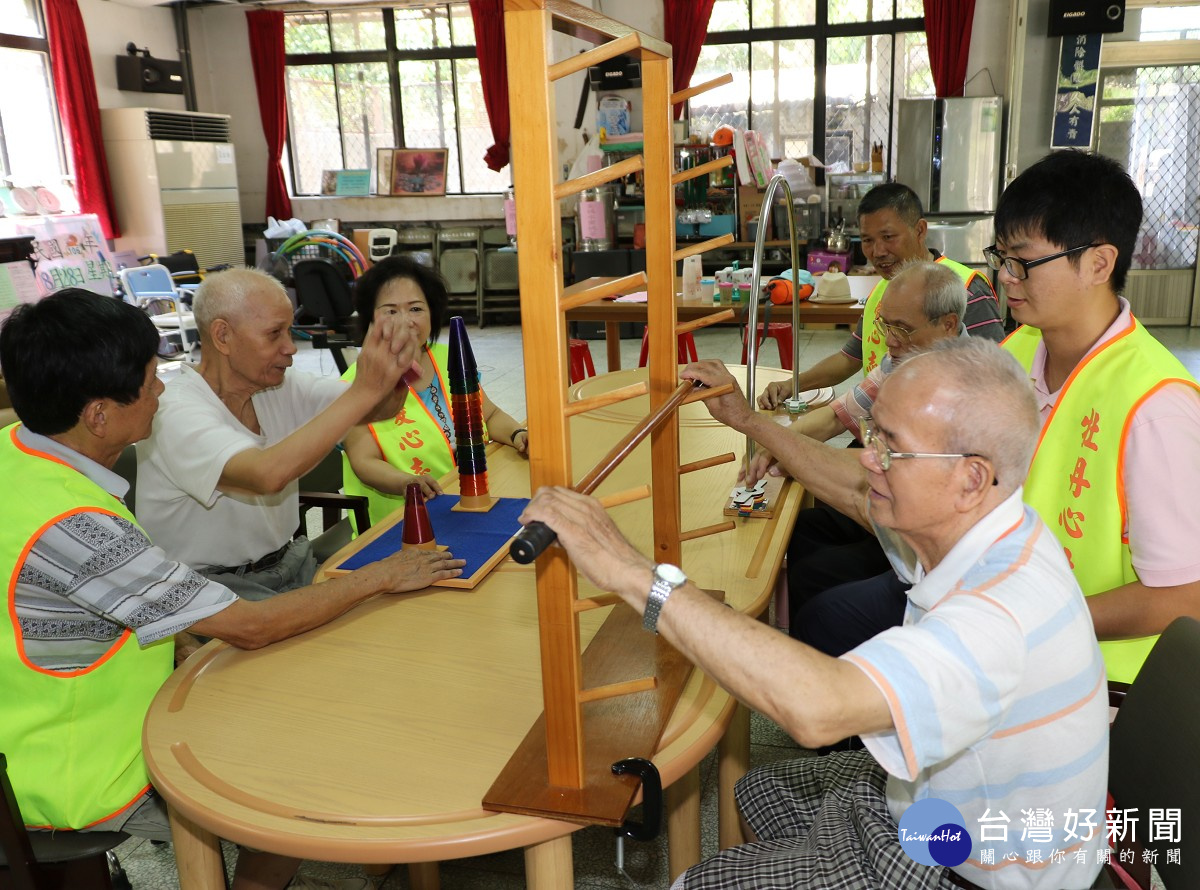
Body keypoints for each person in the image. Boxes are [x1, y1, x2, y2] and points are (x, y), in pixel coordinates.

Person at [522, 339, 1108, 890]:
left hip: (966, 870)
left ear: (970, 477)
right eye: (871, 435)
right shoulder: (985, 521)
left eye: (889, 447)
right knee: (758, 791)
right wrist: (749, 421)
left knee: (694, 884)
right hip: (936, 806)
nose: (868, 459)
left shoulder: (999, 611)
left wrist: (627, 570)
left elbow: (819, 709)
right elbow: (855, 491)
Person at [0, 289, 463, 890]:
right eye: (147, 382)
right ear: (98, 415)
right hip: (81, 769)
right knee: (307, 769)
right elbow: (250, 623)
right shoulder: (80, 526)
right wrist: (382, 574)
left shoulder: (16, 454)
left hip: (27, 735)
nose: (160, 391)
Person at [793, 150, 1200, 685]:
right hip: (982, 603)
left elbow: (1181, 596)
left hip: (1078, 673)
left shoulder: (1156, 406)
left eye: (1024, 262)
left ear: (1099, 264)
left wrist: (1017, 618)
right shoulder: (1018, 348)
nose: (1006, 278)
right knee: (826, 618)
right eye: (1001, 257)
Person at [136, 267, 419, 602]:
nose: (291, 348)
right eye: (274, 334)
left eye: (289, 331)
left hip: (290, 564)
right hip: (206, 591)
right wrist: (365, 391)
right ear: (222, 336)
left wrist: (398, 366)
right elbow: (264, 476)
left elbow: (379, 408)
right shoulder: (174, 411)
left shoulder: (276, 385)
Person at [751, 260, 969, 636]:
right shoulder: (903, 359)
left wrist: (782, 448)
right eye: (886, 325)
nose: (890, 339)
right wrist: (776, 446)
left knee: (821, 601)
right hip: (893, 511)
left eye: (901, 329)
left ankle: (832, 660)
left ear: (947, 325)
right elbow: (840, 415)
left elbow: (880, 477)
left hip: (929, 554)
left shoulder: (963, 386)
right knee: (805, 528)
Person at [759, 181, 1002, 409]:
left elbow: (996, 383)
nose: (877, 252)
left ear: (919, 230)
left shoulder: (967, 289)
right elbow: (849, 358)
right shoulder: (885, 289)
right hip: (880, 427)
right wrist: (791, 385)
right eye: (867, 240)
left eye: (888, 237)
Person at [342, 255, 528, 525]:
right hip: (405, 523)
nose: (405, 321)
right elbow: (364, 463)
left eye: (416, 309)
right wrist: (408, 483)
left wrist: (517, 434)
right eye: (391, 311)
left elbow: (489, 415)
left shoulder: (450, 357)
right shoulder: (351, 387)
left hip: (469, 499)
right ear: (370, 318)